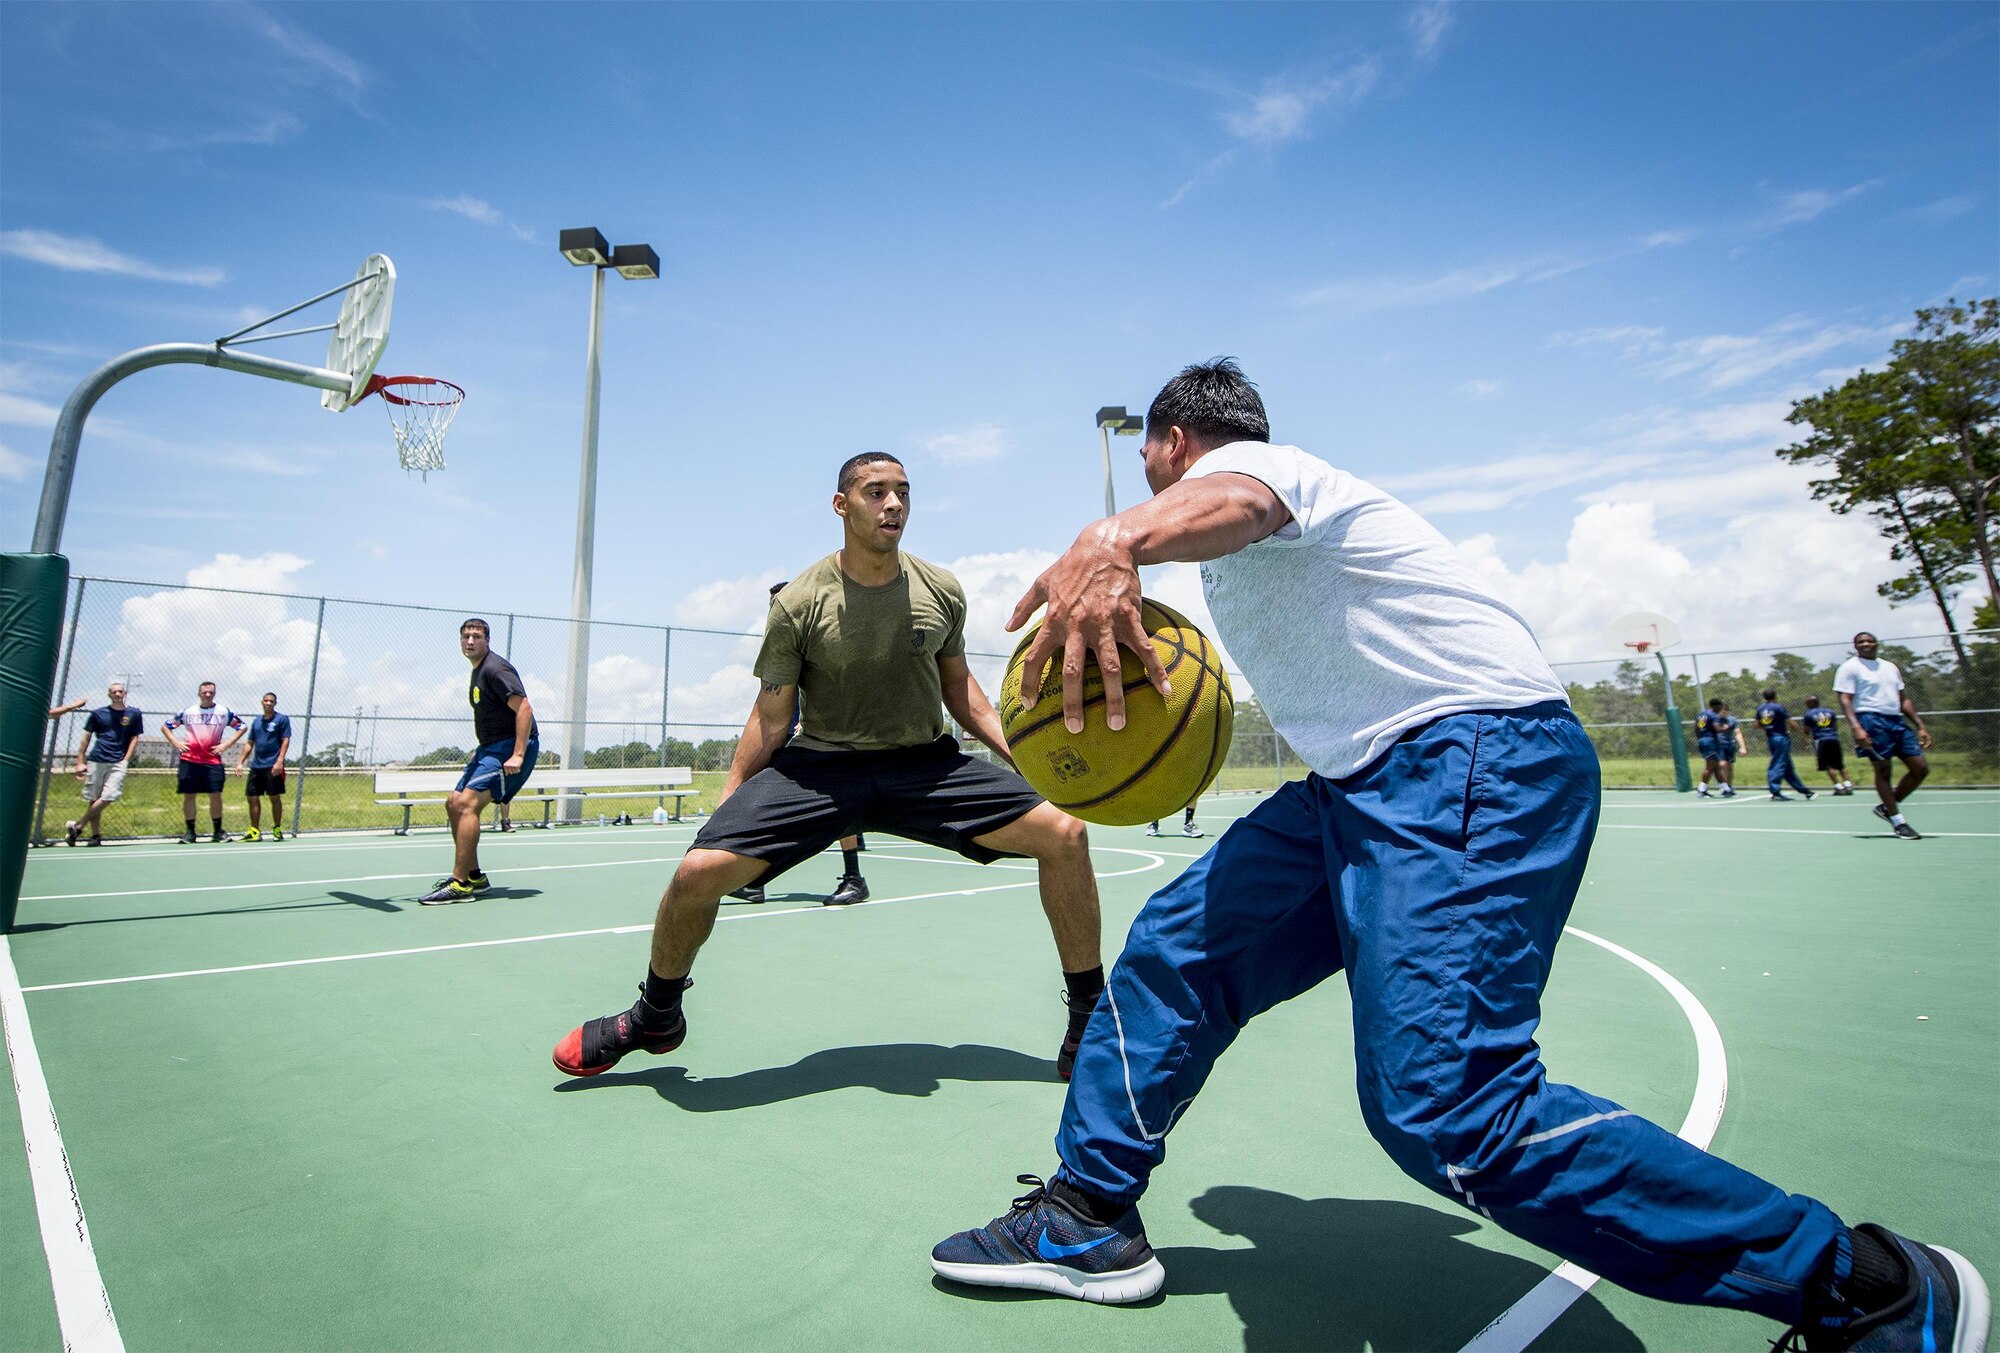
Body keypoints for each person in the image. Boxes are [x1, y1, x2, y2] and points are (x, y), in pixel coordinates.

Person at [929, 360, 1988, 1352]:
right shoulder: (1241, 540)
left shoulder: (1258, 477)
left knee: (1446, 1107)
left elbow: (1238, 497)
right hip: (1359, 783)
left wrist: (1115, 536)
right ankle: (1082, 1215)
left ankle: (1868, 1286)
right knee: (1178, 947)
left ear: (1169, 444)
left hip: (1469, 753)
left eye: (1158, 465)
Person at [552, 453, 1105, 1081]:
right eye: (876, 492)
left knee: (1066, 833)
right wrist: (732, 796)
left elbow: (964, 692)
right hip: (822, 768)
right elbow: (771, 714)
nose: (894, 504)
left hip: (924, 767)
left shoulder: (942, 589)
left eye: (903, 492)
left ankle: (1090, 1015)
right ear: (842, 505)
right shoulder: (798, 602)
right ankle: (655, 1015)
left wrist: (1024, 754)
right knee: (696, 873)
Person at [731, 579, 872, 908]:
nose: (774, 612)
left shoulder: (820, 641)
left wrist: (805, 727)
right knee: (760, 802)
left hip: (821, 742)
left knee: (840, 804)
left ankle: (854, 879)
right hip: (788, 740)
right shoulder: (781, 646)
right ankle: (754, 880)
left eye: (778, 604)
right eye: (771, 607)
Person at [419, 619, 539, 903]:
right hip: (489, 748)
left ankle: (459, 884)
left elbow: (524, 707)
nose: (470, 641)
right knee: (453, 802)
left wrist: (518, 753)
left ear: (487, 641)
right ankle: (474, 877)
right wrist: (482, 748)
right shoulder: (478, 671)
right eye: (465, 636)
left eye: (476, 636)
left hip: (509, 748)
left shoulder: (496, 669)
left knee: (467, 804)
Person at [1835, 633, 1931, 842]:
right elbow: (1845, 699)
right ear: (1855, 646)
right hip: (1870, 720)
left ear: (1876, 644)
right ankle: (1898, 821)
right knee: (1883, 770)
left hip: (1895, 721)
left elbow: (1903, 700)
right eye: (1861, 642)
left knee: (1921, 768)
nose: (1866, 644)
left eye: (1869, 641)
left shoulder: (1890, 667)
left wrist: (1920, 725)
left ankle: (1888, 807)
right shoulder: (1850, 667)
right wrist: (1856, 727)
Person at [161, 681, 245, 843]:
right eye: (204, 692)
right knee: (189, 796)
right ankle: (190, 833)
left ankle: (218, 831)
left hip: (212, 761)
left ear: (214, 693)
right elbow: (166, 727)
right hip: (189, 760)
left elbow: (242, 727)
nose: (207, 695)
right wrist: (176, 743)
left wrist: (225, 744)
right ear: (199, 693)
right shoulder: (188, 711)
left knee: (215, 795)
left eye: (210, 692)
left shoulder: (223, 712)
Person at [65, 682, 142, 846]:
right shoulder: (98, 714)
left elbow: (134, 738)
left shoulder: (134, 713)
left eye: (120, 691)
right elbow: (86, 738)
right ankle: (95, 836)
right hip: (97, 759)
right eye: (114, 692)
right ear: (109, 695)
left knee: (109, 796)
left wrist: (126, 759)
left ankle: (78, 826)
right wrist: (80, 761)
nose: (117, 694)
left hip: (118, 762)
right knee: (94, 798)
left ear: (125, 693)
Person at [234, 691, 292, 841]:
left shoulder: (282, 719)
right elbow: (249, 743)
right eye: (265, 700)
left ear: (275, 703)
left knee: (274, 797)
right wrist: (240, 762)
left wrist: (279, 761)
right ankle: (255, 831)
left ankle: (277, 830)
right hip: (256, 766)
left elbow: (285, 740)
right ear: (262, 702)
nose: (268, 703)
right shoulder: (257, 721)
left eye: (271, 701)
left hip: (272, 766)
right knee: (252, 797)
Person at [1754, 688, 1815, 802]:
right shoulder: (1778, 707)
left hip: (1771, 738)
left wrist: (1769, 727)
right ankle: (1775, 791)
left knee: (1787, 767)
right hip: (1781, 738)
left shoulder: (1761, 708)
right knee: (1778, 763)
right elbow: (1791, 722)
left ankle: (1804, 790)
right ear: (1775, 696)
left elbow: (1757, 725)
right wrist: (1803, 735)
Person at [1800, 695, 1853, 795]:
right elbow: (1835, 726)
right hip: (1834, 738)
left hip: (1821, 740)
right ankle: (1848, 784)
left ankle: (1838, 786)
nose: (1806, 704)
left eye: (1807, 702)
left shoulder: (1808, 714)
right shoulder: (1830, 711)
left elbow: (1806, 730)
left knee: (1828, 765)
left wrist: (1805, 742)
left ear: (1812, 703)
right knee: (1839, 763)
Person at [1694, 697, 1744, 798]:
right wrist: (1726, 727)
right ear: (1716, 706)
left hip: (1703, 740)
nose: (1721, 709)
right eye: (1720, 707)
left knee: (1716, 768)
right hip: (1710, 742)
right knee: (1710, 767)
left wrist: (1701, 739)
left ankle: (1726, 789)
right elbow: (1717, 729)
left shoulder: (1701, 715)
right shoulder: (1713, 715)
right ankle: (1701, 789)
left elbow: (1696, 728)